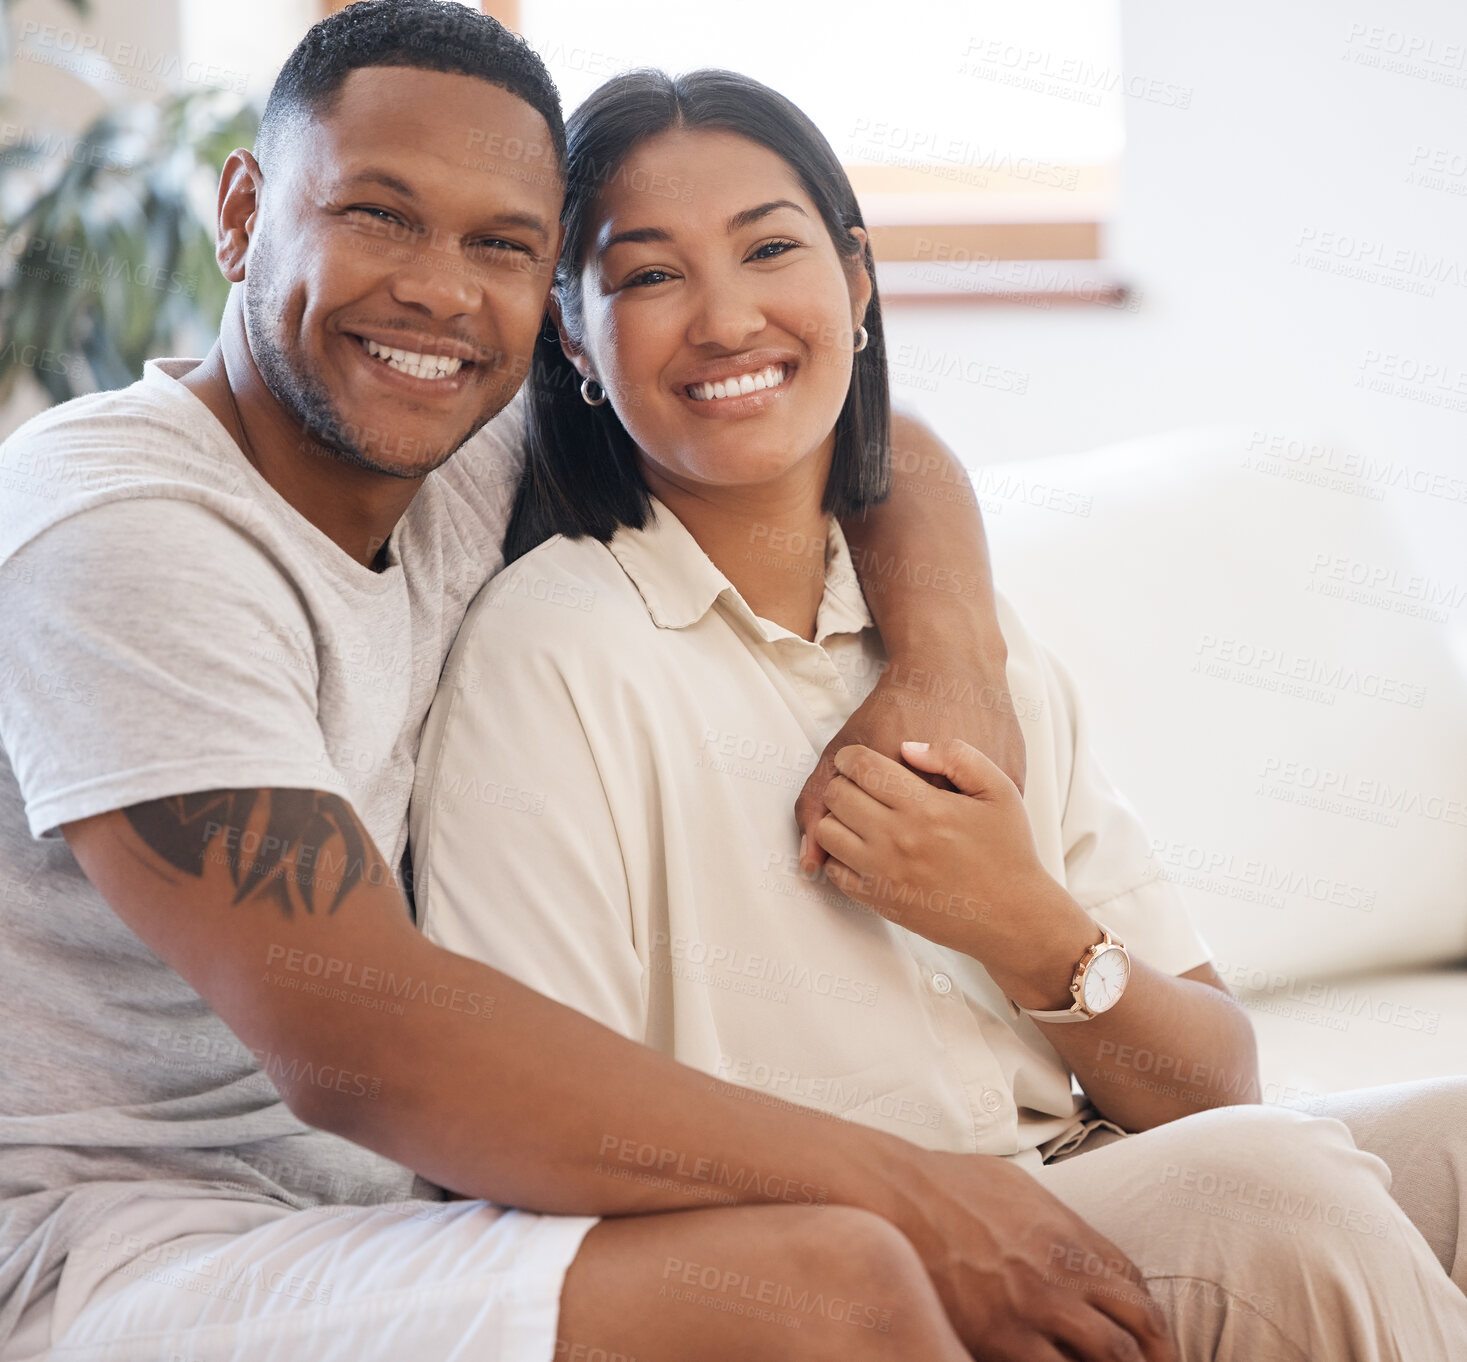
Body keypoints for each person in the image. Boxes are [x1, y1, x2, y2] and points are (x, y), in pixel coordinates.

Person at [0, 5, 1186, 1362]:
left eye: (502, 244)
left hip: (412, 1216)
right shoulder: (114, 521)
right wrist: (916, 1191)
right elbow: (357, 1037)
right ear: (243, 211)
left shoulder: (446, 442)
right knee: (836, 1278)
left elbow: (866, 434)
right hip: (118, 1246)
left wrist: (949, 666)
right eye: (381, 214)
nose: (440, 291)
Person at [410, 66, 1467, 1359]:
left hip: (1079, 1170)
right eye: (647, 275)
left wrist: (1023, 926)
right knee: (1275, 1195)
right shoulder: (557, 651)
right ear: (573, 339)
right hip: (868, 1250)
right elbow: (541, 1128)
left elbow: (1213, 1084)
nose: (728, 316)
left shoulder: (962, 638)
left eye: (771, 249)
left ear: (855, 285)